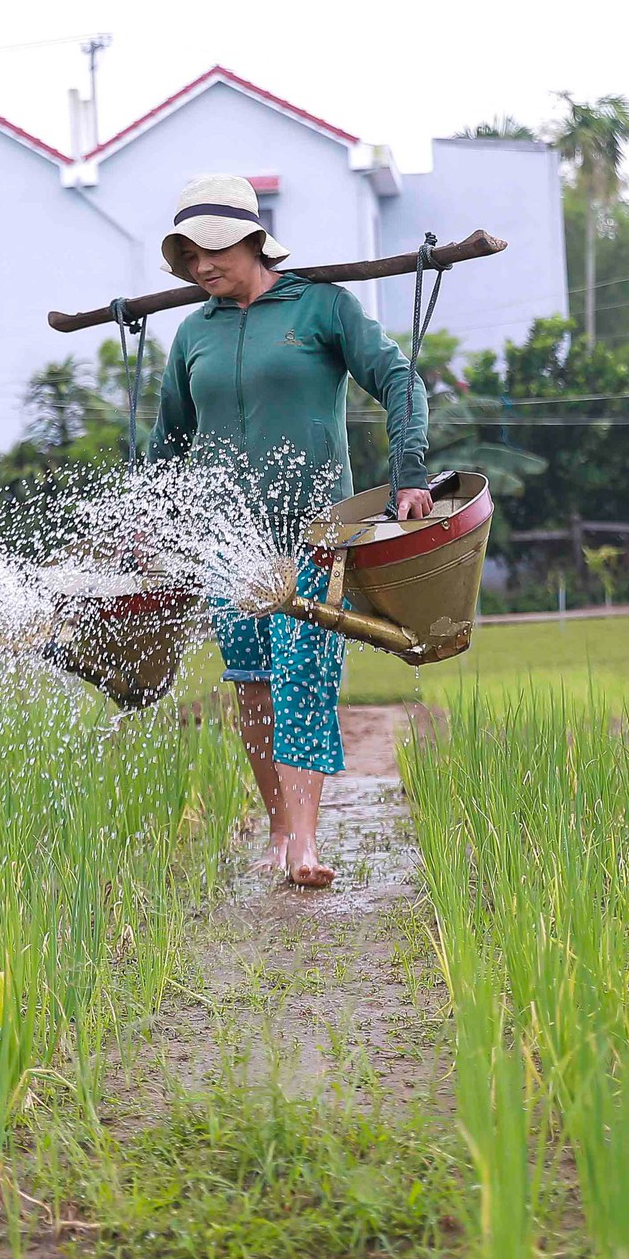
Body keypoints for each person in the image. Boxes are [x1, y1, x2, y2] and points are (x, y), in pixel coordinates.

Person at [147, 173, 432, 888]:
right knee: (251, 682)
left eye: (211, 249)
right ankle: (277, 828)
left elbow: (399, 380)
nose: (201, 266)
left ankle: (305, 842)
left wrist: (409, 476)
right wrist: (146, 523)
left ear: (252, 240)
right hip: (229, 543)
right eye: (187, 256)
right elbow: (167, 442)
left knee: (304, 672)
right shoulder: (192, 334)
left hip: (316, 532)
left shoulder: (322, 308)